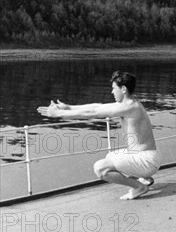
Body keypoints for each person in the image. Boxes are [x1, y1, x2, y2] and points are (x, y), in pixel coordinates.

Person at [36, 71, 160, 200]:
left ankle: (139, 187)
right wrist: (68, 108)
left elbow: (93, 112)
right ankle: (145, 178)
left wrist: (57, 114)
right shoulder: (129, 104)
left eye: (114, 89)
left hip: (146, 160)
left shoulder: (129, 107)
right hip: (147, 156)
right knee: (110, 156)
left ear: (123, 89)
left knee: (100, 169)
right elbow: (96, 106)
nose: (112, 92)